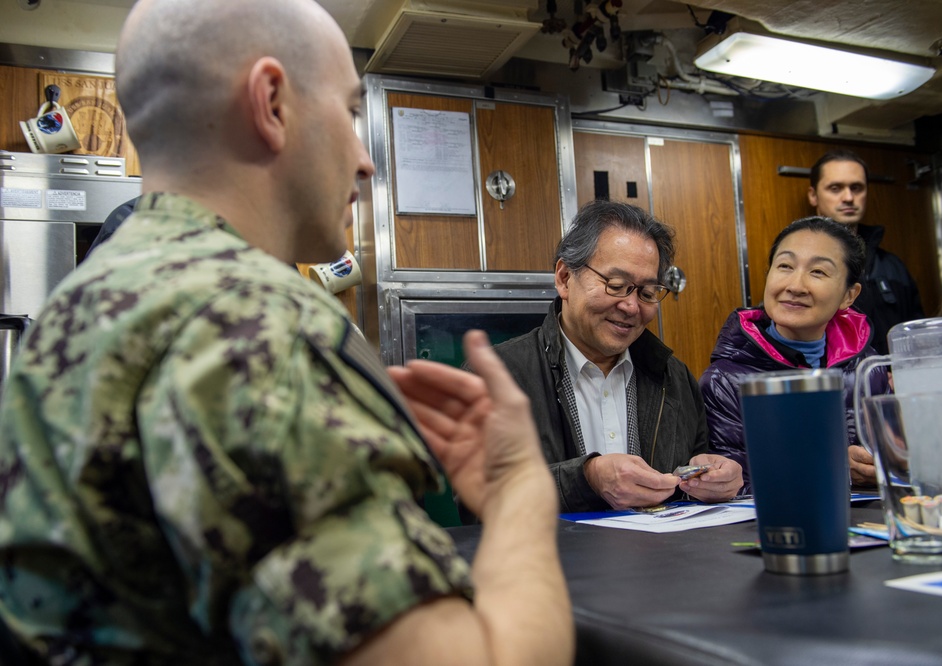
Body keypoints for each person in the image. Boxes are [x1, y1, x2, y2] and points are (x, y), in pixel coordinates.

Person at [0, 0, 573, 664]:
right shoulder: (256, 331)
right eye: (353, 113)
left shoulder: (75, 312)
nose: (366, 160)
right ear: (271, 101)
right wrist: (519, 491)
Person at [485, 199, 742, 513]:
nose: (631, 307)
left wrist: (713, 480)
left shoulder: (674, 378)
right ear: (565, 278)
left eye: (647, 293)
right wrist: (587, 479)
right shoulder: (500, 374)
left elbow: (689, 480)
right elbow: (480, 499)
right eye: (616, 285)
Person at [700, 216, 891, 492]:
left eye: (818, 272)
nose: (795, 285)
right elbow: (738, 489)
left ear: (849, 295)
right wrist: (833, 468)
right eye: (785, 266)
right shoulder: (725, 380)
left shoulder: (869, 371)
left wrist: (881, 467)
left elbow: (896, 464)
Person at [808, 149, 924, 354]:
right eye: (835, 188)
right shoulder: (797, 266)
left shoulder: (892, 268)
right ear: (813, 195)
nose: (849, 197)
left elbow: (918, 340)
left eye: (857, 188)